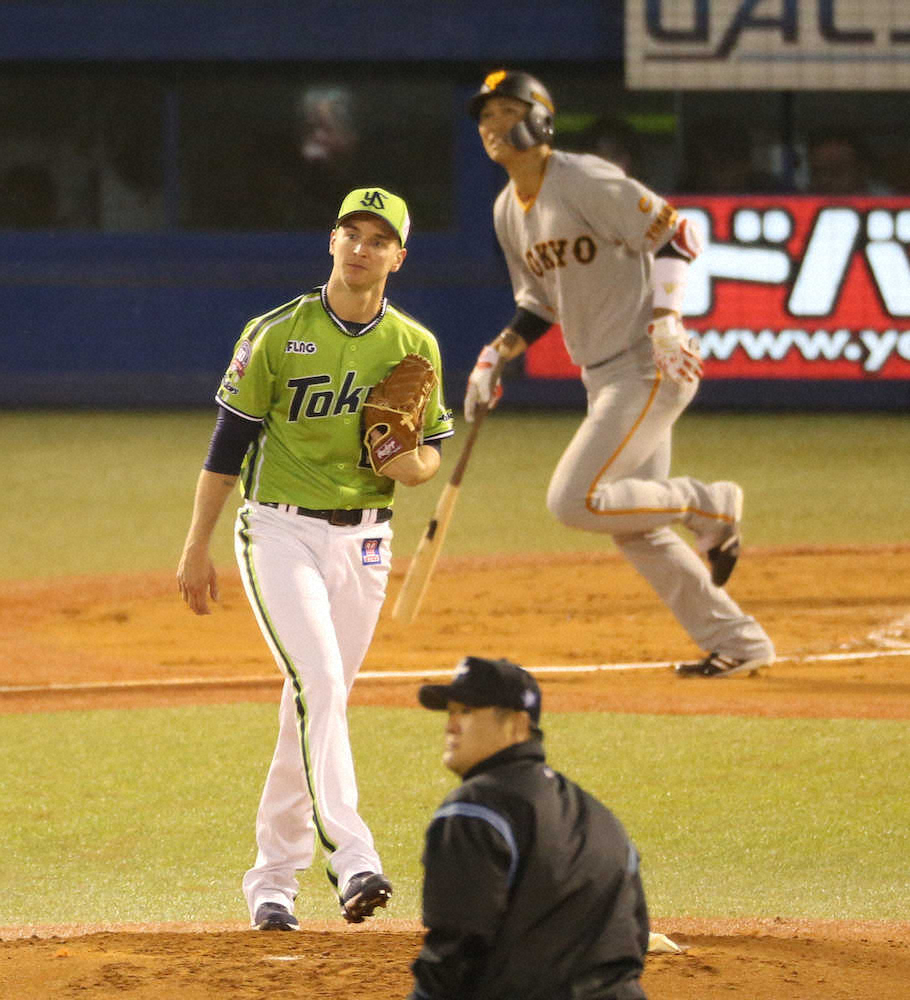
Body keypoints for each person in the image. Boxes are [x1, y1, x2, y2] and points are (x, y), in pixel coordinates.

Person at [176, 187, 454, 929]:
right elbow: (227, 447)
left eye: (377, 238)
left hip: (365, 541)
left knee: (312, 703)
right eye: (350, 233)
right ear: (332, 243)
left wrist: (408, 464)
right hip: (278, 531)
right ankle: (353, 857)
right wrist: (196, 543)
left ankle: (271, 882)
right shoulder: (276, 332)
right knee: (322, 684)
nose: (361, 247)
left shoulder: (414, 346)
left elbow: (426, 459)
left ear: (399, 256)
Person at [465, 70, 774, 679]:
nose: (494, 125)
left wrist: (665, 322)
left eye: (507, 110)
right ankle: (740, 643)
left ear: (541, 118)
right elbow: (538, 303)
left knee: (573, 499)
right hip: (604, 375)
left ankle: (707, 505)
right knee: (638, 529)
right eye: (485, 116)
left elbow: (677, 235)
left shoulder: (581, 177)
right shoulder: (508, 209)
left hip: (647, 362)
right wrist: (494, 355)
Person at [410, 656, 650, 1000]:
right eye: (451, 712)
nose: (451, 726)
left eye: (467, 712)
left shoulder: (474, 809)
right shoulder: (600, 817)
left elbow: (455, 950)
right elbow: (633, 936)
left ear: (517, 724)